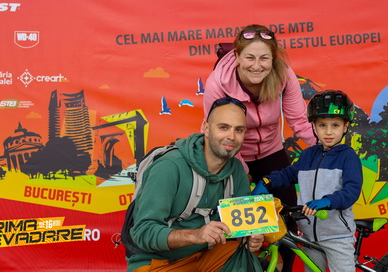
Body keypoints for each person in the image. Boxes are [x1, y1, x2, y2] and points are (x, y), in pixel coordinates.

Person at [203, 24, 316, 271]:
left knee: (285, 221)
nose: (257, 66)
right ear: (237, 56)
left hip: (271, 152)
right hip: (233, 155)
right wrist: (242, 172)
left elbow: (299, 121)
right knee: (238, 228)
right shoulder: (218, 83)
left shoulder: (283, 74)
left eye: (264, 58)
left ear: (273, 58)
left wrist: (329, 151)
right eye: (250, 58)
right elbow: (220, 135)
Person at [128, 97, 264, 272]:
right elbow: (143, 232)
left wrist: (252, 238)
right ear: (206, 129)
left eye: (239, 130)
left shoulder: (237, 170)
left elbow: (244, 228)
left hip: (208, 254)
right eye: (223, 127)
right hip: (161, 260)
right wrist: (196, 235)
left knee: (263, 261)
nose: (231, 136)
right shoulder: (169, 166)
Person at [252, 90, 363, 272]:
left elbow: (351, 191)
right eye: (322, 125)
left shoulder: (348, 157)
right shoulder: (308, 155)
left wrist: (327, 201)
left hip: (337, 237)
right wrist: (266, 181)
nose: (328, 132)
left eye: (335, 125)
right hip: (309, 235)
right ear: (314, 126)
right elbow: (288, 175)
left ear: (345, 127)